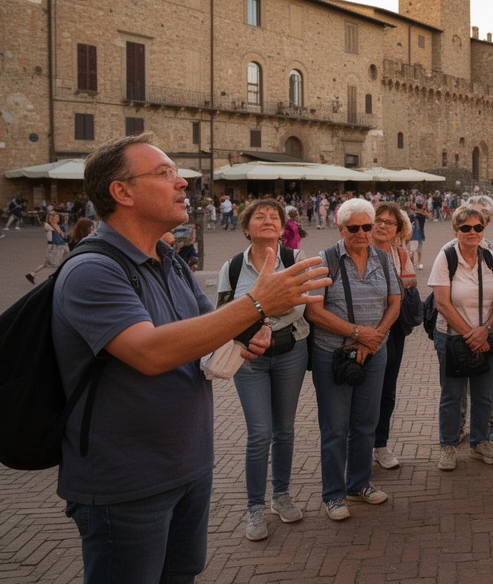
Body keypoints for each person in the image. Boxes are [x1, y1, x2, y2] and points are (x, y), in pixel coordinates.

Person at [52, 133, 326, 583]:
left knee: (181, 576)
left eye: (177, 172)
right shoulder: (91, 270)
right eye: (164, 173)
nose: (181, 182)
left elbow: (208, 329)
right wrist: (258, 304)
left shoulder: (168, 259)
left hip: (189, 465)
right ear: (121, 192)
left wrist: (243, 336)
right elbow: (150, 351)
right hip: (128, 483)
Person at [216, 199, 311, 541]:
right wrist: (254, 329)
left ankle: (281, 495)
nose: (269, 220)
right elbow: (222, 312)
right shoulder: (232, 268)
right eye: (260, 216)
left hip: (290, 351)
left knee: (284, 429)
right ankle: (254, 506)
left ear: (283, 227)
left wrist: (266, 323)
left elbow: (303, 302)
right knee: (259, 432)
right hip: (249, 357)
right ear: (246, 227)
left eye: (275, 217)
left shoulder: (293, 260)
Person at [304, 198, 401, 521]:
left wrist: (374, 338)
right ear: (341, 228)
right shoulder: (325, 260)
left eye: (367, 227)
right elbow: (314, 311)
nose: (362, 233)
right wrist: (358, 333)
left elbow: (394, 303)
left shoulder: (384, 259)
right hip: (333, 353)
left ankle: (359, 483)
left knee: (365, 423)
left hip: (374, 351)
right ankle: (333, 493)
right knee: (335, 427)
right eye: (354, 228)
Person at [429, 204, 493, 471]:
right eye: (466, 228)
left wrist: (486, 329)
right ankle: (448, 446)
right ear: (456, 230)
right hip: (452, 338)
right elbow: (442, 303)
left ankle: (479, 442)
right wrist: (471, 334)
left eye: (478, 227)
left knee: (483, 394)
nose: (472, 232)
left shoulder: (489, 257)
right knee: (452, 394)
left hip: (486, 336)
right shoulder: (446, 257)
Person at [370, 201, 417, 470]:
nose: (382, 226)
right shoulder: (358, 250)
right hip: (362, 329)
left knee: (387, 390)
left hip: (393, 329)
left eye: (389, 222)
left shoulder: (400, 255)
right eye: (378, 220)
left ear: (398, 229)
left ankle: (380, 444)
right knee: (362, 390)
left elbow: (407, 291)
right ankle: (359, 446)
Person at [26, 211, 69, 284]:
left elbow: (64, 237)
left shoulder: (60, 226)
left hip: (62, 246)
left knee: (51, 263)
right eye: (55, 217)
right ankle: (56, 279)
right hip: (54, 246)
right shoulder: (48, 226)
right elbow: (47, 227)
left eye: (58, 217)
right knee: (54, 264)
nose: (57, 218)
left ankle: (32, 274)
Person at [408, 202, 427, 269]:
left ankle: (415, 263)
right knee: (416, 249)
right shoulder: (419, 215)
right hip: (417, 232)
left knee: (415, 249)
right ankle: (418, 262)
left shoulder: (416, 215)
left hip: (416, 232)